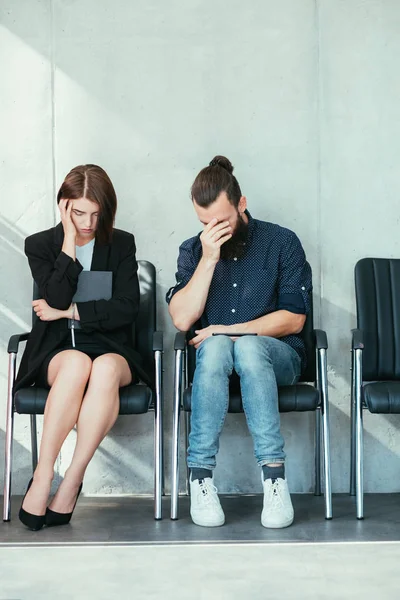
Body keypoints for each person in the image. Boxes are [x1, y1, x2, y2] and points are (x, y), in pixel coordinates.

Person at [167, 155, 312, 529]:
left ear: (242, 204)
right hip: (215, 368)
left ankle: (274, 479)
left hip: (277, 360)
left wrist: (227, 329)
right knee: (214, 348)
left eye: (222, 220)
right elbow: (182, 318)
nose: (214, 228)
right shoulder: (194, 250)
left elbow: (294, 319)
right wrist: (209, 259)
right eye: (205, 222)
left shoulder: (282, 242)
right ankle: (200, 479)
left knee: (245, 345)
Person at [16, 164, 150, 531]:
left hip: (111, 348)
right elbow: (54, 292)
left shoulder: (121, 243)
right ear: (64, 206)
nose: (88, 222)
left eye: (96, 213)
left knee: (103, 368)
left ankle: (73, 478)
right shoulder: (40, 245)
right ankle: (44, 476)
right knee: (76, 364)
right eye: (78, 212)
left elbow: (127, 308)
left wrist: (70, 311)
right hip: (58, 350)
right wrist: (68, 243)